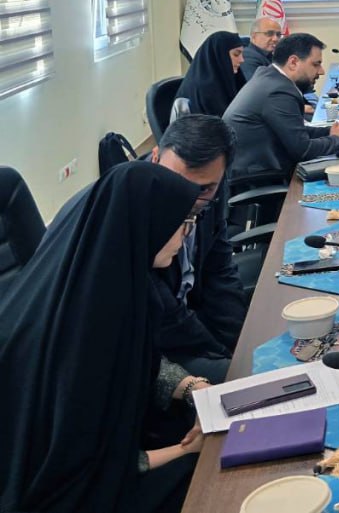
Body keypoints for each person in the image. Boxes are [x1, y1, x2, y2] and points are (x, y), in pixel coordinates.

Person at [0, 161, 211, 513]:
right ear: (147, 224)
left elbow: (138, 364)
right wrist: (186, 451)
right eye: (182, 224)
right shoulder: (84, 332)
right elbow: (89, 469)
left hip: (105, 456)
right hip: (65, 493)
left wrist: (192, 387)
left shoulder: (118, 283)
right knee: (206, 477)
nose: (186, 235)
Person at [148, 114, 245, 383]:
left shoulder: (211, 194)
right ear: (155, 158)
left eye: (203, 189)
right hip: (161, 346)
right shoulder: (136, 211)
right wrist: (221, 352)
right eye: (176, 182)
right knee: (245, 377)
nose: (187, 198)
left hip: (193, 314)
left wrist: (238, 338)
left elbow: (219, 268)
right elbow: (164, 317)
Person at [223, 33, 339, 181]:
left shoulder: (270, 77)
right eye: (316, 64)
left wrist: (330, 131)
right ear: (293, 62)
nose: (321, 71)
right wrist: (338, 139)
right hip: (259, 177)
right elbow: (303, 150)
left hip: (259, 167)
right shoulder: (278, 92)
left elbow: (294, 130)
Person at [174, 31, 245, 119]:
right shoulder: (204, 90)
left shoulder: (230, 79)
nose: (242, 60)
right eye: (236, 54)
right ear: (219, 55)